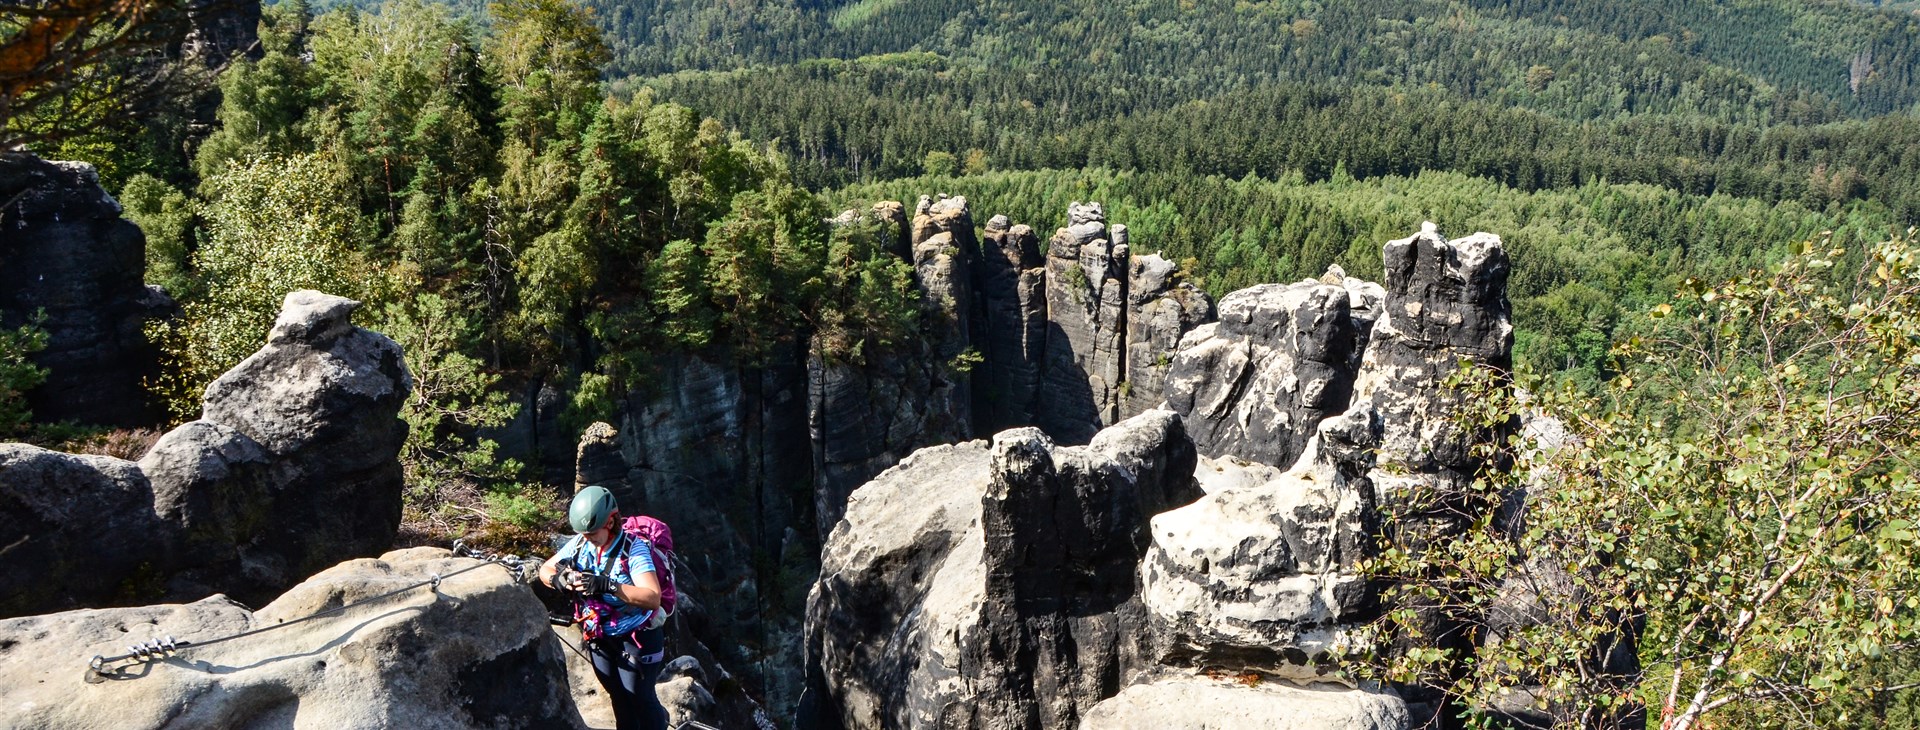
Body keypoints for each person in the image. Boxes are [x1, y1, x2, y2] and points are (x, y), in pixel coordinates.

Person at [540, 486, 668, 730]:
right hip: (600, 636)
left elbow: (652, 597)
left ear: (611, 522)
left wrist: (609, 586)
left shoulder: (634, 549)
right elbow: (545, 569)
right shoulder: (580, 543)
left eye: (592, 532)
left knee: (640, 697)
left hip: (637, 637)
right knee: (619, 697)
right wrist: (561, 579)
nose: (587, 537)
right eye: (583, 533)